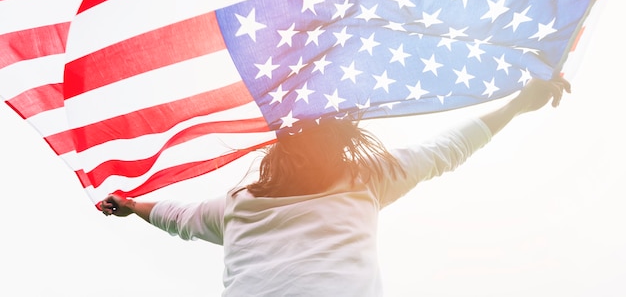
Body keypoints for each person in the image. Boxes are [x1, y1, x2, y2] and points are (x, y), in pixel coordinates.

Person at [101, 76, 570, 296]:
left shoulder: (239, 206)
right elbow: (448, 147)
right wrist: (514, 106)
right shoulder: (365, 179)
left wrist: (132, 203)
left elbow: (177, 217)